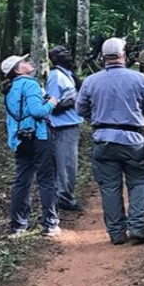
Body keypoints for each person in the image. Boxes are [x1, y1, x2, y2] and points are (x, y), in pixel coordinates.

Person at [75, 37, 144, 245]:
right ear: (123, 54)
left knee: (109, 187)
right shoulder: (139, 78)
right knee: (139, 181)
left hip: (102, 140)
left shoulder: (90, 81)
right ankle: (139, 227)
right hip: (133, 139)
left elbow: (80, 109)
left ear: (103, 57)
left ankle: (116, 233)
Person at [2, 54, 61, 238]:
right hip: (39, 136)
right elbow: (38, 111)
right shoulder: (31, 84)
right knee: (46, 180)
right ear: (18, 70)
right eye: (24, 62)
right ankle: (50, 224)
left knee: (22, 180)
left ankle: (18, 225)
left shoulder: (10, 88)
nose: (29, 63)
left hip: (20, 139)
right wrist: (51, 103)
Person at [46, 45, 83, 211]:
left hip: (72, 125)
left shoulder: (68, 75)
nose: (67, 52)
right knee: (66, 165)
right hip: (62, 127)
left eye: (67, 50)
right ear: (54, 59)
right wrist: (76, 100)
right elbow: (52, 105)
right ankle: (64, 199)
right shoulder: (55, 77)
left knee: (69, 164)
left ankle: (64, 196)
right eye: (61, 52)